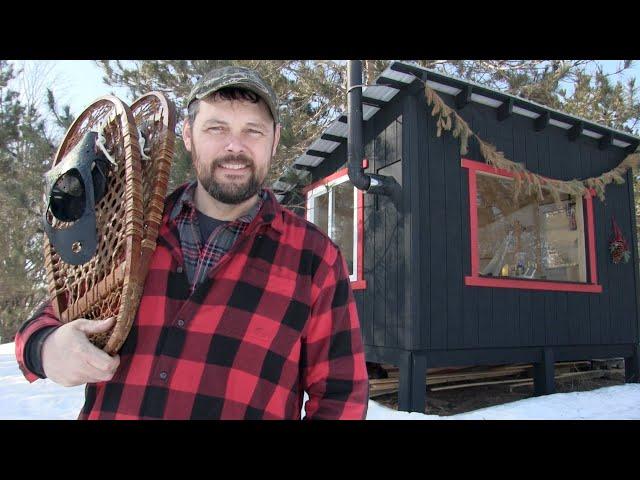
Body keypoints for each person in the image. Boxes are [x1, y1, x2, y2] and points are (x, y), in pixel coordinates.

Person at [14, 66, 369, 420]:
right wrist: (46, 348)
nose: (235, 146)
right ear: (188, 135)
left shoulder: (313, 259)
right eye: (216, 128)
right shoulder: (130, 230)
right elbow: (51, 315)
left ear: (274, 140)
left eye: (253, 131)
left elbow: (341, 396)